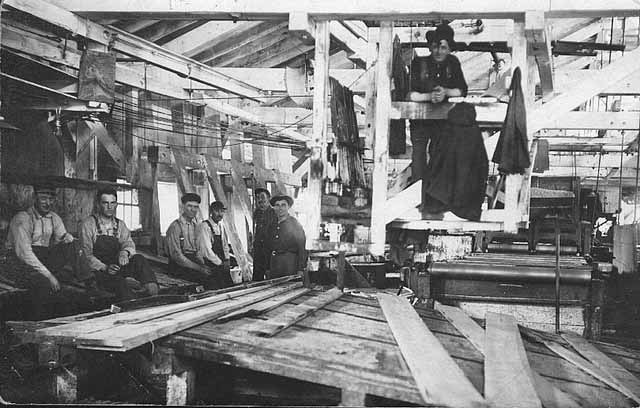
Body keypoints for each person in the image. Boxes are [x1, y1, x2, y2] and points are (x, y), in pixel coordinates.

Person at [406, 23, 487, 220]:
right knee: (418, 159)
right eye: (435, 46)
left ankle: (434, 202)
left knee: (439, 159)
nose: (438, 51)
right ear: (429, 46)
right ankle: (418, 202)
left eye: (443, 47)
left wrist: (445, 93)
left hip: (442, 125)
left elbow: (461, 90)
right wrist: (430, 97)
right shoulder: (419, 63)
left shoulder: (453, 63)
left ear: (449, 47)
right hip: (420, 123)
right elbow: (410, 94)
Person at [3, 184, 93, 319]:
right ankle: (40, 322)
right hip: (19, 264)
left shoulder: (54, 217)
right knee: (45, 286)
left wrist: (67, 238)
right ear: (34, 198)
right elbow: (25, 254)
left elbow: (63, 238)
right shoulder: (23, 218)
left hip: (42, 257)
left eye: (51, 199)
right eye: (43, 199)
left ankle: (90, 284)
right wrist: (50, 277)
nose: (48, 203)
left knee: (73, 244)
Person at [80, 187, 158, 301]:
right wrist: (105, 267)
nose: (109, 207)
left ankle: (153, 290)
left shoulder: (120, 224)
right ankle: (132, 303)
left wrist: (124, 252)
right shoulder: (88, 225)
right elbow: (86, 255)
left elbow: (128, 243)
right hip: (99, 271)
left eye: (112, 203)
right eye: (105, 203)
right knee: (121, 286)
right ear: (98, 204)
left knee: (139, 259)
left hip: (117, 266)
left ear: (116, 204)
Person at [166, 193, 215, 288]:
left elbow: (197, 251)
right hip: (178, 266)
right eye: (189, 206)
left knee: (216, 274)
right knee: (207, 280)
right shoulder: (175, 227)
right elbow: (177, 256)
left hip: (192, 261)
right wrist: (200, 268)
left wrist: (202, 265)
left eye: (196, 207)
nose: (193, 210)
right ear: (183, 206)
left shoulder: (195, 226)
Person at [196, 201, 234, 289]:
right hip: (210, 265)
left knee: (229, 288)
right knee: (215, 289)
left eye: (222, 211)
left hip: (221, 264)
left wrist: (227, 259)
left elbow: (225, 245)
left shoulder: (221, 226)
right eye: (217, 211)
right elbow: (206, 251)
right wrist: (220, 263)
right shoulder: (204, 226)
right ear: (211, 212)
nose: (220, 214)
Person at [268, 195, 307, 279]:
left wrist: (301, 269)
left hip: (290, 264)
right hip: (275, 264)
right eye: (277, 205)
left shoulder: (295, 224)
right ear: (274, 207)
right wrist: (268, 267)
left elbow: (302, 248)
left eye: (283, 205)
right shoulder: (272, 225)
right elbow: (268, 247)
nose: (280, 208)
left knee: (289, 289)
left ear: (288, 207)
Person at [252, 188, 277, 281]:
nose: (261, 203)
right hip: (258, 249)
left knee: (270, 275)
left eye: (263, 200)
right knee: (257, 275)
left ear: (269, 198)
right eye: (259, 201)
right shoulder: (257, 213)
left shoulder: (274, 213)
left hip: (269, 249)